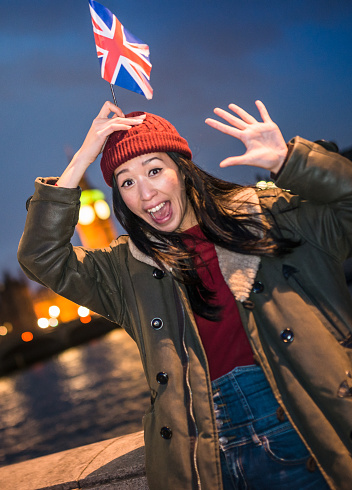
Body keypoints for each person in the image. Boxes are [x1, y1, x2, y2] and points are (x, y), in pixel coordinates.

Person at [18, 100, 352, 490]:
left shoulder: (271, 217)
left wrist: (290, 160)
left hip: (303, 427)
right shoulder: (125, 271)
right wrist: (81, 160)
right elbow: (41, 256)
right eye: (126, 181)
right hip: (207, 462)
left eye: (155, 170)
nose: (145, 193)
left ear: (183, 170)